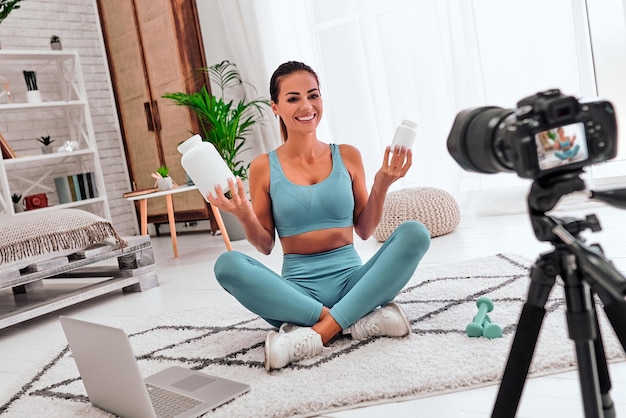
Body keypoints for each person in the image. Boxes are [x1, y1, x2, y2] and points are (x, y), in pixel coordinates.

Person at [207, 61, 431, 371]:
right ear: (275, 107)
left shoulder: (348, 155)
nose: (306, 105)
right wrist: (244, 213)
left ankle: (318, 333)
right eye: (293, 98)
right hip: (297, 295)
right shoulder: (263, 167)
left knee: (415, 233)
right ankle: (355, 318)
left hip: (355, 281)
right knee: (227, 264)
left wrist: (382, 184)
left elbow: (365, 230)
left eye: (313, 95)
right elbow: (263, 244)